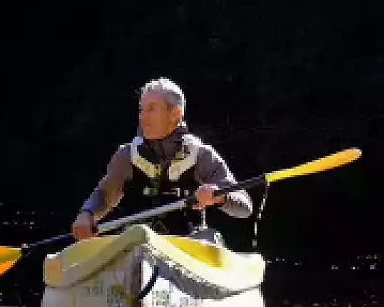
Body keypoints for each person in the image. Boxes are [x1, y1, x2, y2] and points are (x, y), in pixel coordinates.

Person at [71, 78, 253, 242]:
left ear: (175, 113)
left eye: (151, 109)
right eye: (141, 110)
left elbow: (245, 207)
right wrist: (87, 214)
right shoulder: (126, 155)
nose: (142, 117)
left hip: (190, 245)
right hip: (140, 245)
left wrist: (220, 196)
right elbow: (104, 196)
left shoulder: (201, 155)